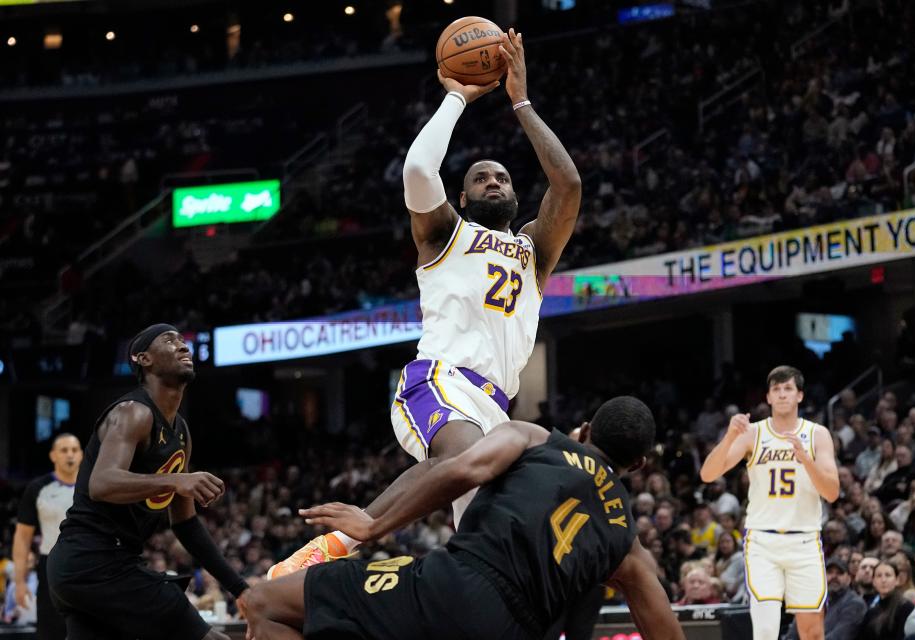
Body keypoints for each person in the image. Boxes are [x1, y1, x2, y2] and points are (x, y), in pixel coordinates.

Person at [269, 27, 583, 577]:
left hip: (497, 409)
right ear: (460, 198)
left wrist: (521, 101)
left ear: (514, 195)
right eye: (480, 177)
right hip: (440, 382)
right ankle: (351, 535)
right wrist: (458, 96)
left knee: (501, 550)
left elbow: (569, 184)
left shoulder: (533, 250)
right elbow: (418, 170)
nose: (493, 181)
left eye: (503, 177)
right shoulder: (443, 234)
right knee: (461, 459)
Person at [242, 397, 685, 640]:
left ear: (585, 430)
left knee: (262, 603)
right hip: (521, 629)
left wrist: (374, 526)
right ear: (639, 465)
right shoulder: (628, 540)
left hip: (459, 584)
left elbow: (462, 469)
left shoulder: (537, 438)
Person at [46, 324, 249, 639]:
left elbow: (186, 525)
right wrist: (174, 481)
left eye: (183, 341)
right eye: (170, 341)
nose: (183, 346)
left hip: (91, 567)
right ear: (143, 359)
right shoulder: (133, 413)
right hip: (95, 560)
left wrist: (240, 588)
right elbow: (102, 484)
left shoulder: (181, 432)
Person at [700, 365, 840, 640]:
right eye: (776, 389)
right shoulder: (752, 433)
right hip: (763, 540)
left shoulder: (817, 434)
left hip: (805, 540)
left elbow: (832, 492)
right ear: (768, 398)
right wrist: (730, 436)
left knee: (812, 632)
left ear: (800, 396)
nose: (782, 394)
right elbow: (708, 474)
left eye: (788, 388)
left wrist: (805, 459)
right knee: (765, 631)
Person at [12, 432, 82, 640]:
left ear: (81, 455)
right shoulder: (37, 488)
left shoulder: (93, 487)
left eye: (74, 450)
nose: (69, 455)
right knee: (50, 630)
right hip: (50, 566)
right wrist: (19, 582)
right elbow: (23, 538)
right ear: (53, 456)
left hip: (87, 566)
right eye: (64, 450)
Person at [784, 557, 867, 640]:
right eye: (829, 572)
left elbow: (840, 636)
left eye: (840, 573)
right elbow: (792, 635)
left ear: (849, 579)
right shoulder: (811, 601)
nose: (834, 576)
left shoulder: (855, 604)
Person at [859, 561, 914, 640]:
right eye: (879, 576)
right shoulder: (870, 612)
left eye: (888, 575)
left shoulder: (906, 607)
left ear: (897, 580)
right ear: (873, 581)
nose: (883, 580)